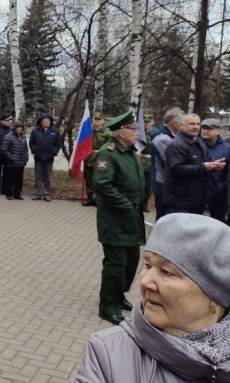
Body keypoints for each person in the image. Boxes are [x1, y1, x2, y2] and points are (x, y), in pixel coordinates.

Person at [74, 213, 230, 382]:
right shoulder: (108, 355)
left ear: (214, 295)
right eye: (147, 265)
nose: (144, 281)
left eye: (167, 272)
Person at [92, 110, 145, 326]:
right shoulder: (108, 153)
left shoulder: (129, 151)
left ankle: (119, 294)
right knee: (116, 263)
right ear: (122, 132)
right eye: (134, 129)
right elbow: (102, 184)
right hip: (115, 218)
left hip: (131, 216)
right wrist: (125, 205)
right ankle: (108, 306)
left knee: (131, 261)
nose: (138, 132)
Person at [163, 113, 225, 215]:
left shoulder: (199, 142)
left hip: (196, 199)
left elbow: (205, 162)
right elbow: (176, 169)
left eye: (198, 124)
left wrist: (214, 166)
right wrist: (204, 167)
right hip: (180, 201)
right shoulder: (176, 144)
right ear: (182, 125)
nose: (196, 127)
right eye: (192, 124)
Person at [151, 108, 183, 219]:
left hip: (167, 184)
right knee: (163, 218)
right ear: (175, 123)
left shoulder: (170, 136)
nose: (182, 126)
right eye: (181, 123)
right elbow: (170, 162)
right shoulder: (162, 139)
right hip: (163, 184)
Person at [201, 118, 230, 222]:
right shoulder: (196, 145)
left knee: (218, 222)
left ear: (218, 131)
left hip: (218, 194)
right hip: (198, 192)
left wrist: (222, 186)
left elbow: (229, 171)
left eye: (209, 129)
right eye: (203, 128)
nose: (205, 131)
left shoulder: (226, 148)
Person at [29, 112, 62, 202]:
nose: (46, 122)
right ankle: (38, 193)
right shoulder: (35, 131)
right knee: (38, 176)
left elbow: (58, 143)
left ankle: (46, 194)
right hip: (38, 157)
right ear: (41, 122)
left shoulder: (55, 131)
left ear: (51, 122)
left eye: (48, 120)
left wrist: (54, 152)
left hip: (49, 158)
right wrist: (35, 150)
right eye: (44, 120)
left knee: (47, 177)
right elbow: (31, 142)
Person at [82, 113, 111, 206]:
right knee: (89, 178)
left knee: (99, 178)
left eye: (99, 119)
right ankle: (89, 197)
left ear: (103, 121)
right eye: (96, 119)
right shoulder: (89, 130)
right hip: (90, 156)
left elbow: (110, 145)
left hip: (101, 158)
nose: (97, 121)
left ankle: (98, 198)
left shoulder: (107, 132)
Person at [1, 120, 28, 200]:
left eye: (21, 127)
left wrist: (26, 158)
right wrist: (11, 158)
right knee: (11, 179)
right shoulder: (8, 137)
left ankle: (17, 193)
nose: (20, 129)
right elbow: (4, 149)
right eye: (18, 127)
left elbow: (26, 149)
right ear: (14, 128)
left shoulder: (23, 137)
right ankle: (8, 193)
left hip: (21, 161)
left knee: (19, 180)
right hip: (12, 162)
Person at [139, 114, 154, 212]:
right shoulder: (139, 133)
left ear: (153, 122)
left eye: (148, 122)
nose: (146, 124)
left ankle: (145, 203)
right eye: (145, 122)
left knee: (147, 185)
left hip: (150, 162)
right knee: (139, 183)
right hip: (140, 160)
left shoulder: (156, 133)